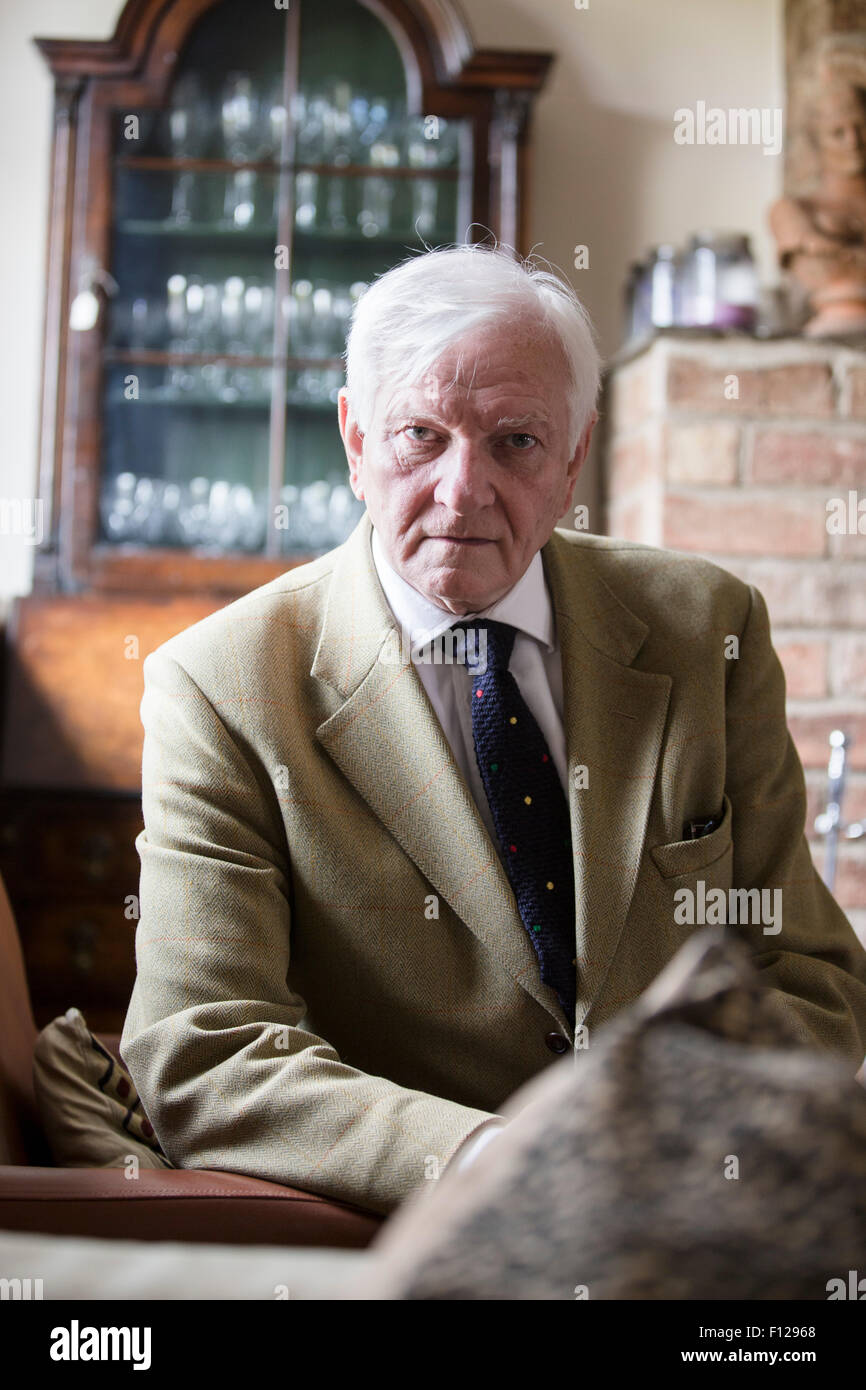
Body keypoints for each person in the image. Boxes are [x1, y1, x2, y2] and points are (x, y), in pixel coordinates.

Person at [120, 244, 866, 1217]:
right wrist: (490, 1159)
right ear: (352, 440)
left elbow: (807, 975)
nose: (462, 488)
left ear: (571, 460)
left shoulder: (706, 627)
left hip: (679, 1213)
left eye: (513, 441)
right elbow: (203, 1043)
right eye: (419, 435)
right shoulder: (219, 685)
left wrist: (656, 1139)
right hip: (398, 1236)